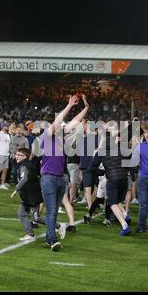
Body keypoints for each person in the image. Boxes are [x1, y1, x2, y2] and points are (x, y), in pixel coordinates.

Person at [40, 94, 89, 251]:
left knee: (53, 212)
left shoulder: (60, 137)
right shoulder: (46, 136)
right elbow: (58, 123)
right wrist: (69, 105)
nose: (62, 127)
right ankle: (51, 239)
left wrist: (86, 108)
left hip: (61, 178)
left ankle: (50, 236)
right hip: (48, 177)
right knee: (52, 211)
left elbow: (74, 121)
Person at [11, 148, 67, 241]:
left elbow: (24, 179)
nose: (16, 156)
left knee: (36, 218)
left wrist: (16, 190)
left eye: (19, 155)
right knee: (21, 213)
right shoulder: (28, 164)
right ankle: (30, 234)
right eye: (16, 154)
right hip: (28, 196)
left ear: (25, 156)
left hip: (31, 196)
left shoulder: (24, 166)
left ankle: (59, 225)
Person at [0, 124, 11, 190]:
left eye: (7, 126)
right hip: (0, 154)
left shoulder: (8, 135)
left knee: (5, 170)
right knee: (0, 169)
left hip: (7, 154)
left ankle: (2, 184)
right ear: (2, 127)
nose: (7, 127)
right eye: (6, 126)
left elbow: (8, 144)